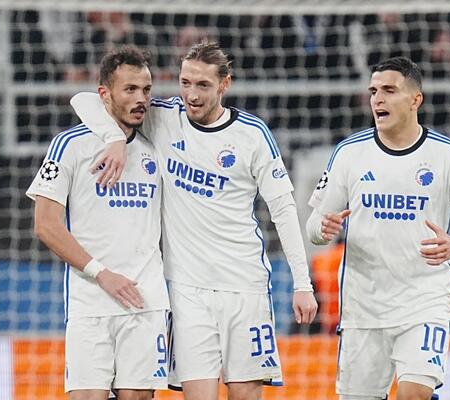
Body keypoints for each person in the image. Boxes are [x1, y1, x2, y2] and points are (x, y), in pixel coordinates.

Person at [70, 41, 318, 400]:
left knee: (245, 395)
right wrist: (114, 139)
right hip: (187, 292)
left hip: (244, 288)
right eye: (185, 83)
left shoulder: (251, 135)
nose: (192, 94)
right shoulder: (164, 118)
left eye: (203, 85)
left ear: (224, 84)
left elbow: (283, 210)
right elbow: (84, 100)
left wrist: (302, 284)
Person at [305, 56, 450, 400]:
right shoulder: (349, 153)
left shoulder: (447, 155)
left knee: (414, 393)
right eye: (373, 91)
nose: (377, 99)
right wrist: (323, 228)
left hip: (424, 303)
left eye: (389, 90)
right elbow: (313, 227)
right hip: (362, 310)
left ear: (415, 99)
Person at [26, 46, 170, 400]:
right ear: (105, 94)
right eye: (130, 89)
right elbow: (45, 225)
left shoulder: (159, 146)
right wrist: (101, 273)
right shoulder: (69, 145)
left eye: (146, 90)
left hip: (145, 300)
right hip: (90, 300)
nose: (141, 99)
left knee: (137, 396)